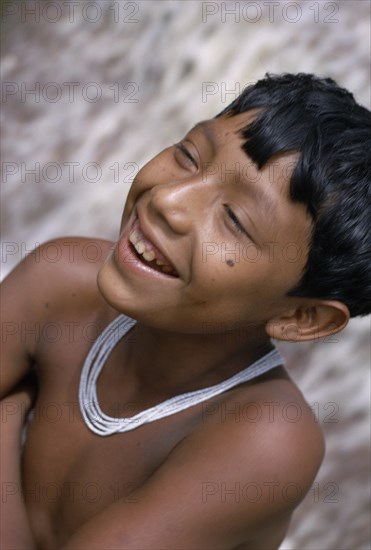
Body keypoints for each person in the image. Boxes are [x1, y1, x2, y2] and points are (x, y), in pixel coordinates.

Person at [1, 73, 370, 550]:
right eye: (189, 156)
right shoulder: (59, 279)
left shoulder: (267, 438)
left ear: (305, 318)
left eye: (235, 220)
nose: (169, 202)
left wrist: (8, 413)